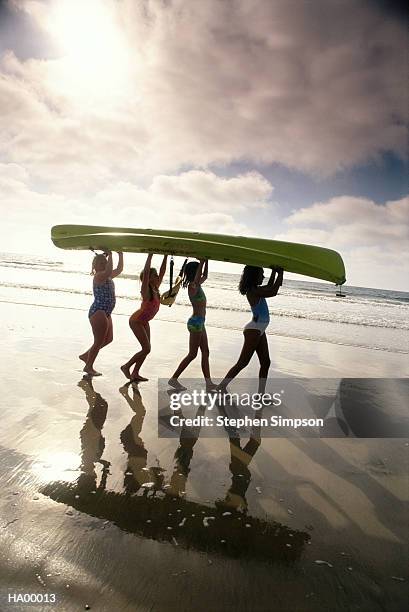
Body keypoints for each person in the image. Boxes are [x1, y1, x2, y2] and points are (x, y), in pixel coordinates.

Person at [218, 266, 283, 393]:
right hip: (254, 330)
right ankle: (221, 386)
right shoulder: (252, 291)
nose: (263, 277)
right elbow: (273, 291)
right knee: (243, 362)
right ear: (254, 276)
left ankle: (261, 395)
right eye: (262, 274)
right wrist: (280, 273)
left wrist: (275, 272)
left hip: (259, 329)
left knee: (266, 363)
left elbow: (270, 286)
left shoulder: (256, 289)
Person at [168, 259, 215, 391]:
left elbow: (205, 275)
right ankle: (173, 379)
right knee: (192, 354)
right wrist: (201, 262)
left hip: (200, 323)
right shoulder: (193, 286)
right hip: (195, 324)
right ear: (194, 273)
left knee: (205, 352)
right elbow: (199, 276)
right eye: (198, 272)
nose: (200, 276)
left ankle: (209, 383)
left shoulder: (198, 285)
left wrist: (205, 261)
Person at [121, 254, 167, 382]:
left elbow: (162, 272)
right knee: (146, 348)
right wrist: (149, 256)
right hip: (136, 321)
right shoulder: (146, 290)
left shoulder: (156, 288)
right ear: (147, 279)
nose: (157, 276)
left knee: (146, 349)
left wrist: (166, 256)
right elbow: (146, 273)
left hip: (144, 321)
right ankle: (126, 367)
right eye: (154, 275)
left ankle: (135, 373)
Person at [79, 251, 123, 376]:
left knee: (108, 339)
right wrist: (110, 255)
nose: (103, 264)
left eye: (104, 262)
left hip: (106, 312)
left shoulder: (107, 276)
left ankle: (86, 356)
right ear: (95, 266)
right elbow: (109, 271)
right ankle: (88, 366)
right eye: (101, 263)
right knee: (98, 341)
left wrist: (120, 254)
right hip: (98, 311)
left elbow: (119, 269)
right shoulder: (98, 276)